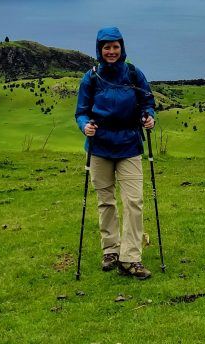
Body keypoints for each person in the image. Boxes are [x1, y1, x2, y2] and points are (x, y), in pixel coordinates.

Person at [75, 26, 156, 279]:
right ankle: (110, 249)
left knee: (134, 202)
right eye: (106, 47)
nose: (111, 51)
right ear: (99, 49)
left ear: (122, 48)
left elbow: (148, 102)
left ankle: (130, 258)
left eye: (115, 47)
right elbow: (81, 111)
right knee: (105, 200)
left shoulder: (133, 73)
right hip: (100, 145)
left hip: (129, 144)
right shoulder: (91, 77)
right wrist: (84, 125)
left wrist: (149, 117)